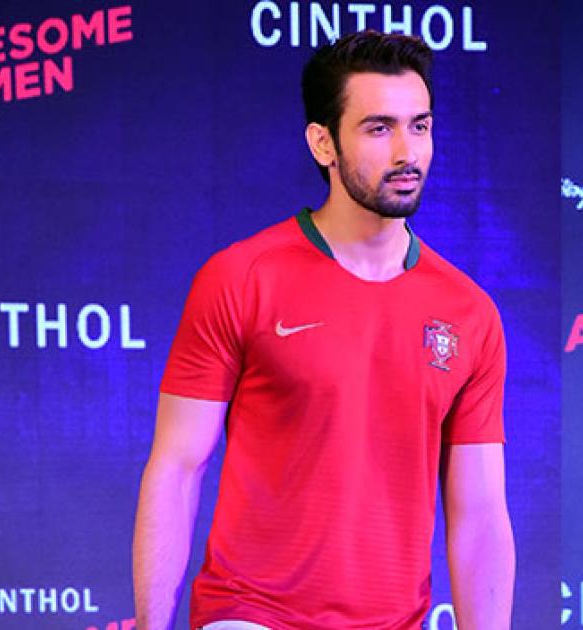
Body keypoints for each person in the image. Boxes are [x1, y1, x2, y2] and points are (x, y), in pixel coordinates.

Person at [133, 32, 514, 630]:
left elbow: (481, 516)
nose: (407, 152)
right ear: (323, 143)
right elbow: (177, 468)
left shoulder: (469, 313)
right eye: (379, 128)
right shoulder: (241, 277)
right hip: (251, 614)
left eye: (419, 126)